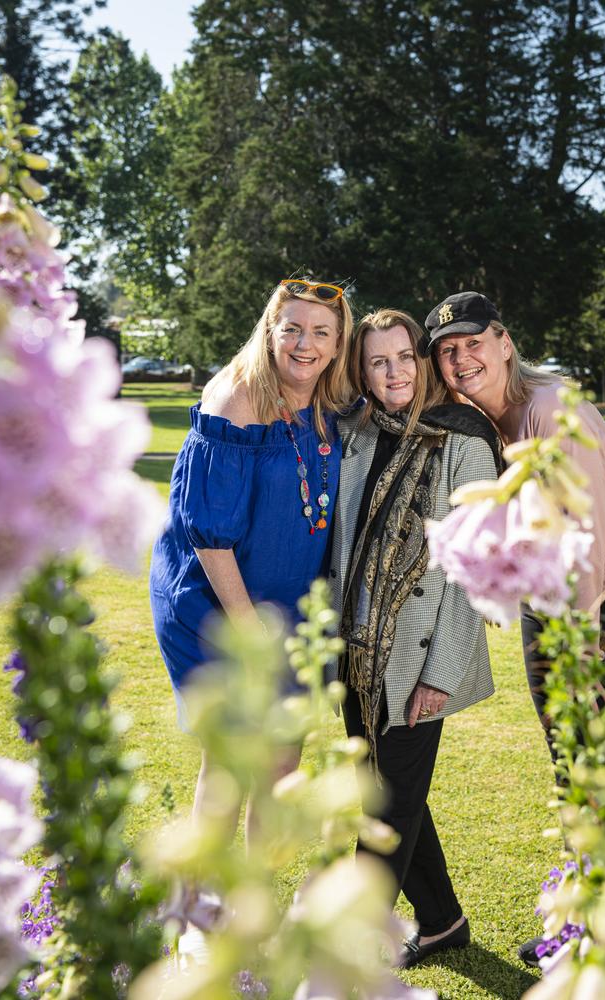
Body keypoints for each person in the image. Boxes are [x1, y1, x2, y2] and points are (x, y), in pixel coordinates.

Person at [425, 290, 605, 965]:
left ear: (504, 342)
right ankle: (583, 923)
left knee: (592, 771)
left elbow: (587, 542)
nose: (461, 358)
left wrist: (583, 654)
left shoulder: (547, 411)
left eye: (473, 342)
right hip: (553, 610)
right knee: (576, 775)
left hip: (589, 613)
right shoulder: (498, 420)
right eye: (448, 351)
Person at [329, 307, 501, 968]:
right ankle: (442, 921)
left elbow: (471, 571)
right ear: (364, 371)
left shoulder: (463, 438)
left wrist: (444, 671)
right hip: (355, 649)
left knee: (385, 806)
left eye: (404, 356)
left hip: (418, 655)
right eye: (378, 360)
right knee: (382, 791)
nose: (393, 371)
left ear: (423, 362)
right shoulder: (364, 433)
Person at [150, 277, 354, 818]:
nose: (304, 344)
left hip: (292, 602)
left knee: (283, 764)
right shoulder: (235, 399)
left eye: (320, 333)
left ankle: (254, 902)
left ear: (338, 344)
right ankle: (199, 903)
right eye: (291, 329)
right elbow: (209, 535)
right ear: (270, 332)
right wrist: (245, 623)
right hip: (218, 603)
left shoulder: (331, 403)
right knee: (232, 763)